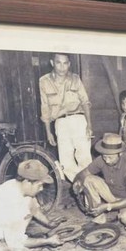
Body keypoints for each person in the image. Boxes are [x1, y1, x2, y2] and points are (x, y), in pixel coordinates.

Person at [0, 160, 64, 251]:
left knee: (29, 201)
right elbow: (18, 241)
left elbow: (34, 208)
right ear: (27, 181)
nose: (41, 189)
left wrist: (49, 223)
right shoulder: (13, 205)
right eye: (40, 185)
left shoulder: (15, 185)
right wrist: (48, 241)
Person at [39, 53, 93, 182]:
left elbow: (85, 102)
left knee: (85, 159)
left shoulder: (75, 79)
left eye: (65, 63)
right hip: (60, 123)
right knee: (66, 163)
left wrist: (89, 125)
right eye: (58, 63)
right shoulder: (44, 81)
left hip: (79, 121)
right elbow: (45, 107)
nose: (62, 67)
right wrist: (48, 132)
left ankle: (89, 199)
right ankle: (82, 186)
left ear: (69, 64)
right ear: (52, 63)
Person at [73, 133, 126, 230]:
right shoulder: (102, 159)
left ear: (120, 153)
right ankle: (99, 218)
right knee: (88, 179)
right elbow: (83, 173)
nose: (107, 161)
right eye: (104, 156)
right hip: (112, 193)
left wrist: (107, 206)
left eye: (110, 157)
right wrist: (77, 181)